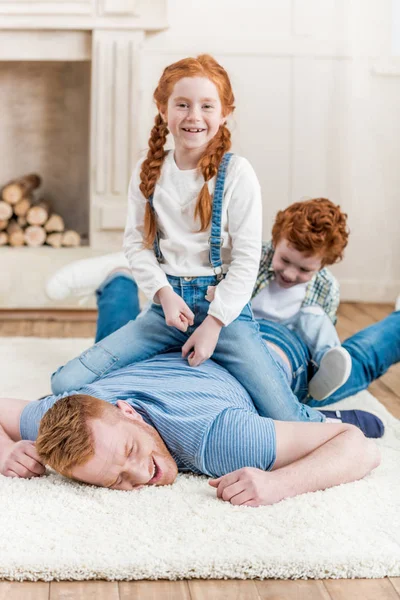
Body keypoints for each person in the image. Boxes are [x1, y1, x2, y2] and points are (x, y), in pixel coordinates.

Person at [47, 54, 328, 425]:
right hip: (167, 311)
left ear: (224, 112)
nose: (194, 116)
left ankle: (333, 423)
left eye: (206, 106)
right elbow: (136, 244)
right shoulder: (148, 171)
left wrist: (213, 324)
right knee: (66, 382)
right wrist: (163, 294)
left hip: (225, 316)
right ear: (164, 110)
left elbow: (246, 261)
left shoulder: (238, 174)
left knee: (283, 415)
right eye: (182, 104)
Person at [1, 270, 390, 507]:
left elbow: (358, 446)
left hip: (266, 342)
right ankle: (118, 280)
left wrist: (278, 484)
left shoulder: (222, 439)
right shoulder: (63, 422)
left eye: (131, 450)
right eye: (114, 481)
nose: (139, 474)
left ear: (128, 411)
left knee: (346, 365)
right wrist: (6, 452)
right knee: (109, 346)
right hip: (165, 346)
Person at [252, 197, 351, 401]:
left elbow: (320, 329)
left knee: (315, 316)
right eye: (285, 260)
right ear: (275, 241)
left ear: (323, 264)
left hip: (291, 337)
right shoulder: (255, 258)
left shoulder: (327, 286)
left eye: (304, 269)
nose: (289, 273)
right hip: (249, 325)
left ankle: (326, 363)